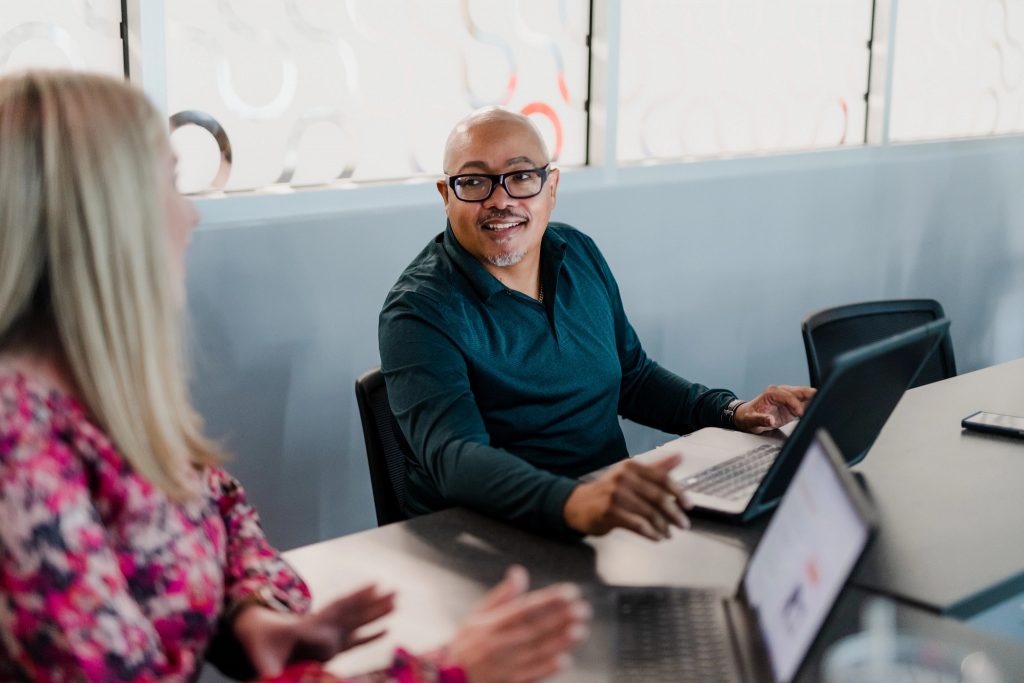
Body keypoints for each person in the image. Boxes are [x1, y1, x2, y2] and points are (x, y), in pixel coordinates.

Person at [0, 72, 589, 683]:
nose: (190, 218)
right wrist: (448, 673)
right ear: (92, 223)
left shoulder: (99, 394)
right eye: (168, 186)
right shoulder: (18, 455)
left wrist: (252, 615)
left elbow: (223, 514)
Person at [378, 107, 816, 541]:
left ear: (551, 187)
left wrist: (732, 412)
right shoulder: (418, 311)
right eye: (473, 182)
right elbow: (456, 458)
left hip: (604, 513)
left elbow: (634, 377)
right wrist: (574, 502)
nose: (501, 199)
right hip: (486, 537)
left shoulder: (578, 253)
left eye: (522, 176)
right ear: (445, 194)